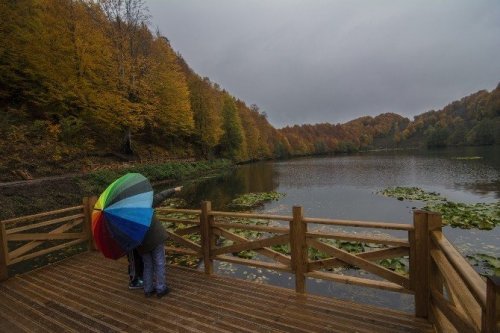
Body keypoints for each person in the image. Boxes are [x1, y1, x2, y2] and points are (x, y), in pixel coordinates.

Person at [126, 186, 182, 290]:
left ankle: (148, 289)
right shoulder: (144, 204)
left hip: (141, 242)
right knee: (159, 263)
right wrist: (173, 190)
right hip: (155, 238)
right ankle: (160, 288)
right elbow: (160, 196)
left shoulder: (125, 214)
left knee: (148, 265)